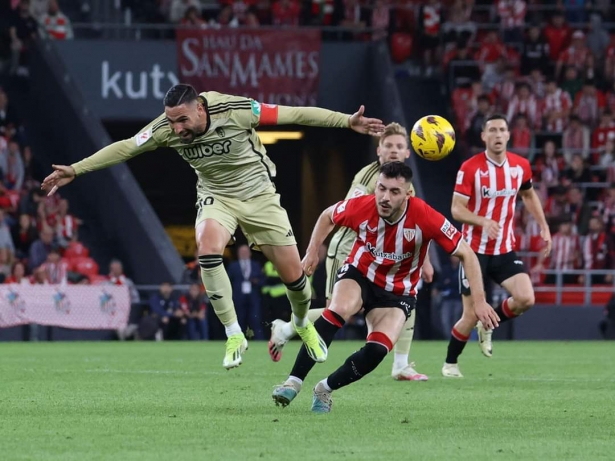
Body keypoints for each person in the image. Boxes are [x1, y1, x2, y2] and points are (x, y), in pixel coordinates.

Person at [41, 83, 384, 369]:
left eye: (182, 120)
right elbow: (127, 147)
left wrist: (345, 122)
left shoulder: (235, 109)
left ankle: (299, 324)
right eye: (172, 121)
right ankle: (234, 333)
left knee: (295, 280)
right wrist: (77, 168)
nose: (176, 129)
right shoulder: (165, 129)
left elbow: (293, 113)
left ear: (201, 110)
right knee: (206, 247)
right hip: (216, 196)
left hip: (259, 195)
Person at [272, 162, 499, 413]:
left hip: (397, 292)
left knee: (377, 350)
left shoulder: (424, 215)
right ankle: (293, 382)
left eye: (394, 192)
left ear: (407, 194)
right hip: (360, 273)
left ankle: (324, 389)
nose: (385, 197)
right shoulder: (363, 205)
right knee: (337, 310)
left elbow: (467, 253)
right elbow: (328, 215)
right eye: (381, 188)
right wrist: (312, 251)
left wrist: (479, 301)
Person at [267, 122, 432, 381]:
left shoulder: (404, 183)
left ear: (409, 152)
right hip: (350, 248)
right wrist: (314, 250)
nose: (393, 151)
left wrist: (426, 261)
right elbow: (345, 210)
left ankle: (400, 364)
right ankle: (286, 329)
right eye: (388, 146)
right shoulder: (369, 177)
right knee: (339, 311)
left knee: (405, 296)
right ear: (379, 150)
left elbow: (415, 226)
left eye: (399, 146)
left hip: (384, 254)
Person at [443, 114, 552, 378]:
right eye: (492, 130)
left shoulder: (520, 166)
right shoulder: (470, 168)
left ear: (509, 135)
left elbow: (528, 194)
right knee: (470, 315)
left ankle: (488, 324)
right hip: (473, 252)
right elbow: (456, 209)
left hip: (504, 249)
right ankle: (450, 363)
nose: (498, 134)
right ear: (484, 137)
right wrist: (483, 220)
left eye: (502, 129)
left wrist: (543, 225)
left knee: (526, 298)